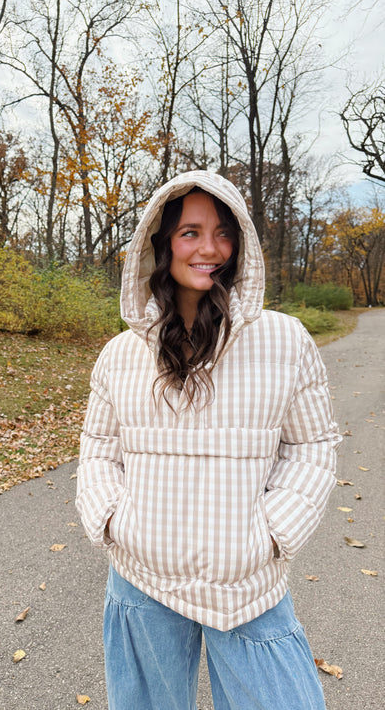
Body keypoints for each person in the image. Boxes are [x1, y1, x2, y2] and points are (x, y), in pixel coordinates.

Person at [76, 171, 342, 710]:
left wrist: (273, 533)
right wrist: (112, 520)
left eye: (223, 232)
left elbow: (312, 447)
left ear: (240, 241)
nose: (210, 248)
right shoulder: (120, 354)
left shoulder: (284, 340)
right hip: (141, 578)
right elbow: (99, 448)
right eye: (190, 232)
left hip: (247, 583)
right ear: (162, 242)